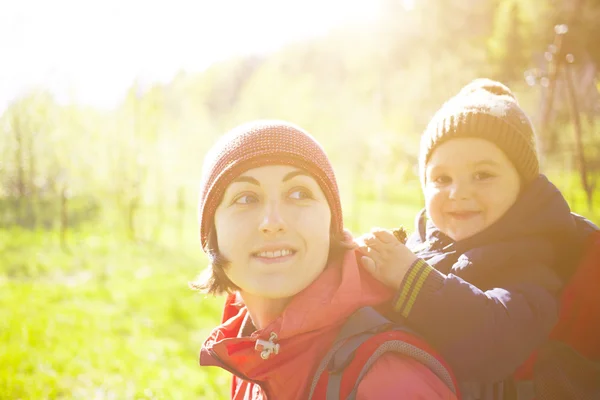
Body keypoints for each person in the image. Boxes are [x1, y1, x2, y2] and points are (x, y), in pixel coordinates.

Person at [193, 120, 459, 400]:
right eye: (246, 198)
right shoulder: (250, 349)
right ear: (212, 232)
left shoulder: (388, 382)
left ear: (331, 223)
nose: (272, 222)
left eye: (299, 194)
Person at [357, 78, 589, 397]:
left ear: (523, 185)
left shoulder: (531, 259)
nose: (459, 192)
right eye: (442, 178)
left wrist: (411, 277)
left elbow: (492, 338)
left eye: (482, 175)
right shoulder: (420, 245)